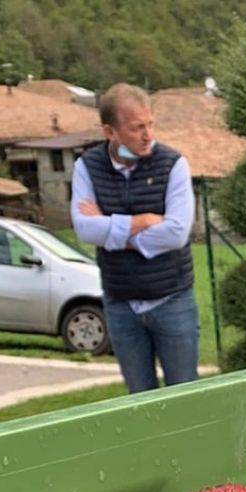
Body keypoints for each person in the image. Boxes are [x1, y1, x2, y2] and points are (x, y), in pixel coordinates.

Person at [70, 83, 199, 392]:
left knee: (185, 396)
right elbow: (84, 229)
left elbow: (177, 233)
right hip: (121, 303)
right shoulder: (87, 167)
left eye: (150, 124)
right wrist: (143, 221)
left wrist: (111, 231)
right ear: (110, 132)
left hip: (172, 299)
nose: (148, 135)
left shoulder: (173, 164)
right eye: (137, 128)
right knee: (139, 400)